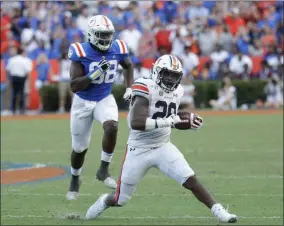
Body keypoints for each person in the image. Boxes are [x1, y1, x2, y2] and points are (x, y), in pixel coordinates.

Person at [85, 55, 237, 224]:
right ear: (157, 72)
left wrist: (188, 121)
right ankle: (104, 201)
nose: (171, 79)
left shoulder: (178, 91)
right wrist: (170, 121)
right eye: (167, 74)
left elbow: (171, 117)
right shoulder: (145, 86)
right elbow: (137, 122)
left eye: (174, 75)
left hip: (163, 145)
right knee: (121, 199)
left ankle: (219, 211)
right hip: (138, 149)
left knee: (190, 180)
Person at [66, 15, 133, 200]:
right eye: (101, 35)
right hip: (82, 101)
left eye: (108, 35)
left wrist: (129, 87)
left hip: (104, 97)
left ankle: (103, 170)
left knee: (112, 126)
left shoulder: (118, 48)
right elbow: (74, 86)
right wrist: (94, 74)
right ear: (91, 34)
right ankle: (74, 178)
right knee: (79, 148)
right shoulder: (80, 51)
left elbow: (128, 65)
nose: (106, 39)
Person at [5, 48, 32, 115]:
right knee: (21, 94)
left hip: (14, 78)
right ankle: (21, 109)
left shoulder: (12, 59)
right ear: (22, 53)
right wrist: (28, 79)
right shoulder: (23, 60)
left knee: (14, 94)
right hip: (21, 78)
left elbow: (7, 70)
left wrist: (8, 79)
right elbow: (27, 71)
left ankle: (13, 109)